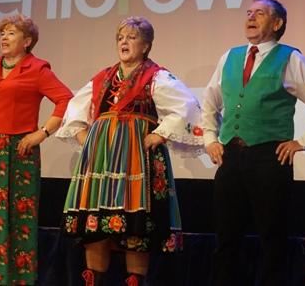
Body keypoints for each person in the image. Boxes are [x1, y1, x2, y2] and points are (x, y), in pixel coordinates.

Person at [56, 16, 202, 286]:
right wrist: (84, 136)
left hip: (137, 160)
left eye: (132, 38)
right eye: (121, 38)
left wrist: (160, 133)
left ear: (146, 46)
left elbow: (188, 105)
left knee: (137, 228)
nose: (124, 42)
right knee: (96, 227)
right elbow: (75, 108)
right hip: (102, 161)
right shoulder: (103, 78)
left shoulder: (156, 76)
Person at [201, 0, 305, 285]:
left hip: (269, 158)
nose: (251, 17)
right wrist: (210, 138)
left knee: (272, 238)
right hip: (231, 156)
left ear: (277, 23)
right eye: (249, 12)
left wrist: (304, 141)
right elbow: (209, 101)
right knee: (226, 237)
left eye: (259, 13)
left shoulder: (290, 58)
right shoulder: (230, 57)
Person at [0, 14, 73, 285]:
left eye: (11, 33)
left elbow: (65, 100)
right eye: (2, 33)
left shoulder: (38, 69)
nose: (4, 38)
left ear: (27, 41)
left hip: (19, 152)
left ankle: (12, 278)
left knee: (16, 215)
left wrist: (41, 133)